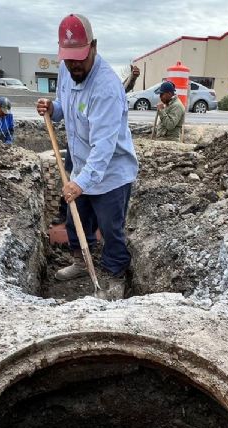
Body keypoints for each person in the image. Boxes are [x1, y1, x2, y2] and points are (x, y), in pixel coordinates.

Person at [37, 13, 139, 298]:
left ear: (93, 46)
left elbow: (104, 148)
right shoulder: (65, 70)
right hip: (81, 163)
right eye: (68, 59)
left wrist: (80, 183)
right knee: (76, 219)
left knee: (111, 229)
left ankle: (114, 275)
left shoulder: (107, 88)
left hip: (110, 172)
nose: (74, 65)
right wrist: (52, 108)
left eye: (79, 58)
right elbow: (69, 109)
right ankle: (81, 261)